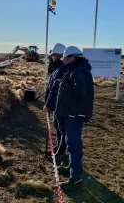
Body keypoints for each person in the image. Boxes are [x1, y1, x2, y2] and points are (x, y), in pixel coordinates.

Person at [55, 46, 94, 191]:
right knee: (73, 142)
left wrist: (65, 85)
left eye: (65, 57)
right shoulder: (75, 70)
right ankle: (73, 170)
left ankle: (76, 178)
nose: (63, 60)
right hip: (71, 113)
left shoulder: (80, 71)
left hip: (75, 115)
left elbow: (80, 91)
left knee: (73, 145)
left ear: (73, 57)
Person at [43, 43, 67, 163]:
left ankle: (60, 152)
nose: (51, 58)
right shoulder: (57, 69)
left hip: (61, 105)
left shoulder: (61, 70)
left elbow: (54, 90)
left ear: (57, 56)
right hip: (57, 105)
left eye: (52, 56)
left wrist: (47, 104)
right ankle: (59, 146)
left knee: (63, 129)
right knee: (58, 127)